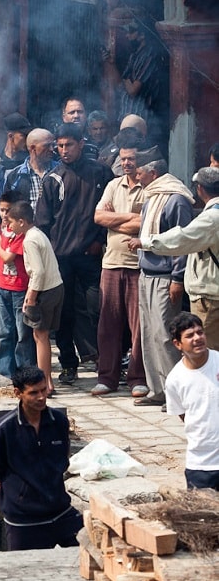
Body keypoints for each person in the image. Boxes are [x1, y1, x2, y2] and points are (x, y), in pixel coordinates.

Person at [37, 123, 113, 385]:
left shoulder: (101, 172)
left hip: (91, 254)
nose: (64, 150)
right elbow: (43, 224)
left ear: (81, 143)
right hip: (61, 258)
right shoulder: (53, 178)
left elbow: (112, 209)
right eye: (59, 145)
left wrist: (100, 239)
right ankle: (69, 364)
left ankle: (106, 361)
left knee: (99, 308)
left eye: (69, 144)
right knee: (65, 313)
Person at [0, 365, 80, 550]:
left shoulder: (59, 421)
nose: (41, 397)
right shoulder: (5, 428)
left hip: (60, 510)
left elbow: (63, 459)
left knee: (90, 551)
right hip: (23, 519)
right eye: (33, 393)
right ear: (17, 393)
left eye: (43, 390)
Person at [126, 155, 193, 407]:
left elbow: (181, 242)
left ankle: (177, 395)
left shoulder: (176, 199)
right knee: (149, 336)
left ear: (153, 173)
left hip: (165, 277)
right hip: (146, 274)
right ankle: (158, 391)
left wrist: (177, 278)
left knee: (166, 336)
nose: (137, 176)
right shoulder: (151, 197)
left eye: (140, 172)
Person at [89, 131, 148, 398]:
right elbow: (99, 216)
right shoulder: (113, 186)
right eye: (123, 158)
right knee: (108, 324)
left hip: (138, 265)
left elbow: (146, 222)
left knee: (138, 325)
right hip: (111, 264)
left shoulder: (150, 187)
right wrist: (130, 218)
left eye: (131, 158)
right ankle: (107, 377)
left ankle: (137, 377)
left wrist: (119, 219)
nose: (126, 163)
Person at [137, 167, 219, 347]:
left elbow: (182, 238)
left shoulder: (211, 217)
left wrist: (146, 242)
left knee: (206, 351)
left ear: (200, 189)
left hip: (210, 297)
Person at [3, 201, 63, 394]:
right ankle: (48, 381)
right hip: (55, 287)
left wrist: (30, 296)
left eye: (11, 222)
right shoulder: (38, 233)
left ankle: (44, 384)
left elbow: (38, 272)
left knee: (40, 336)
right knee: (42, 336)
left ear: (21, 221)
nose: (8, 226)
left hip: (46, 290)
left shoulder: (29, 239)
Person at [164, 312, 219, 490]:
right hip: (201, 465)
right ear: (177, 344)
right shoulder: (175, 380)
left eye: (200, 332)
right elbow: (184, 416)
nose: (197, 338)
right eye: (189, 335)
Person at [0, 190, 29, 378]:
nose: (5, 215)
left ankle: (25, 373)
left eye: (8, 211)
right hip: (2, 287)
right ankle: (5, 374)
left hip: (19, 288)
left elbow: (8, 258)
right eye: (1, 210)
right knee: (4, 332)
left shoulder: (20, 233)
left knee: (22, 334)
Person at [5, 128, 58, 208]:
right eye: (46, 146)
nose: (51, 149)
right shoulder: (16, 176)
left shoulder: (60, 171)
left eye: (53, 145)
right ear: (33, 148)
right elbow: (9, 207)